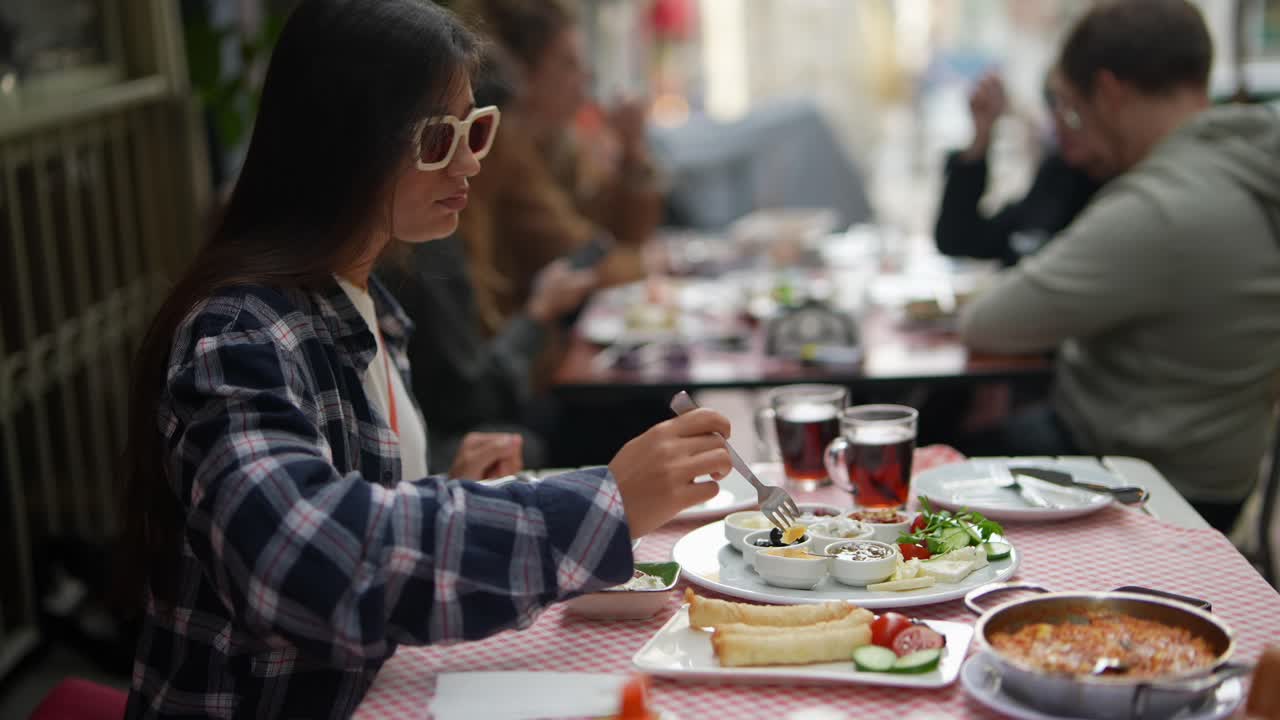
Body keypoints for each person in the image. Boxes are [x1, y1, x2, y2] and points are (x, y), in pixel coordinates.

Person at [116, 3, 732, 717]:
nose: (472, 158)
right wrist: (606, 503)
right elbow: (310, 562)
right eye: (443, 137)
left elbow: (353, 503)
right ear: (349, 141)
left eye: (478, 128)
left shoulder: (364, 301)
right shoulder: (240, 333)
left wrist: (440, 485)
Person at [960, 0, 1280, 533]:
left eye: (1070, 108)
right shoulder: (1245, 163)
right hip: (1217, 462)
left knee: (931, 453)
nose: (1070, 133)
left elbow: (988, 322)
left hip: (1144, 480)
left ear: (1109, 91)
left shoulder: (1159, 206)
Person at [451, 0, 664, 328]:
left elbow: (614, 230)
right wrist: (650, 262)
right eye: (568, 63)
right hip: (513, 356)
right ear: (524, 73)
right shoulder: (500, 146)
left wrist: (632, 152)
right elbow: (582, 259)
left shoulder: (558, 143)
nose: (587, 77)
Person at [935, 68, 1112, 266]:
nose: (1060, 118)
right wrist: (981, 138)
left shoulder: (1125, 192)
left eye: (1074, 106)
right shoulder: (1059, 176)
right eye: (1053, 102)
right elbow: (958, 240)